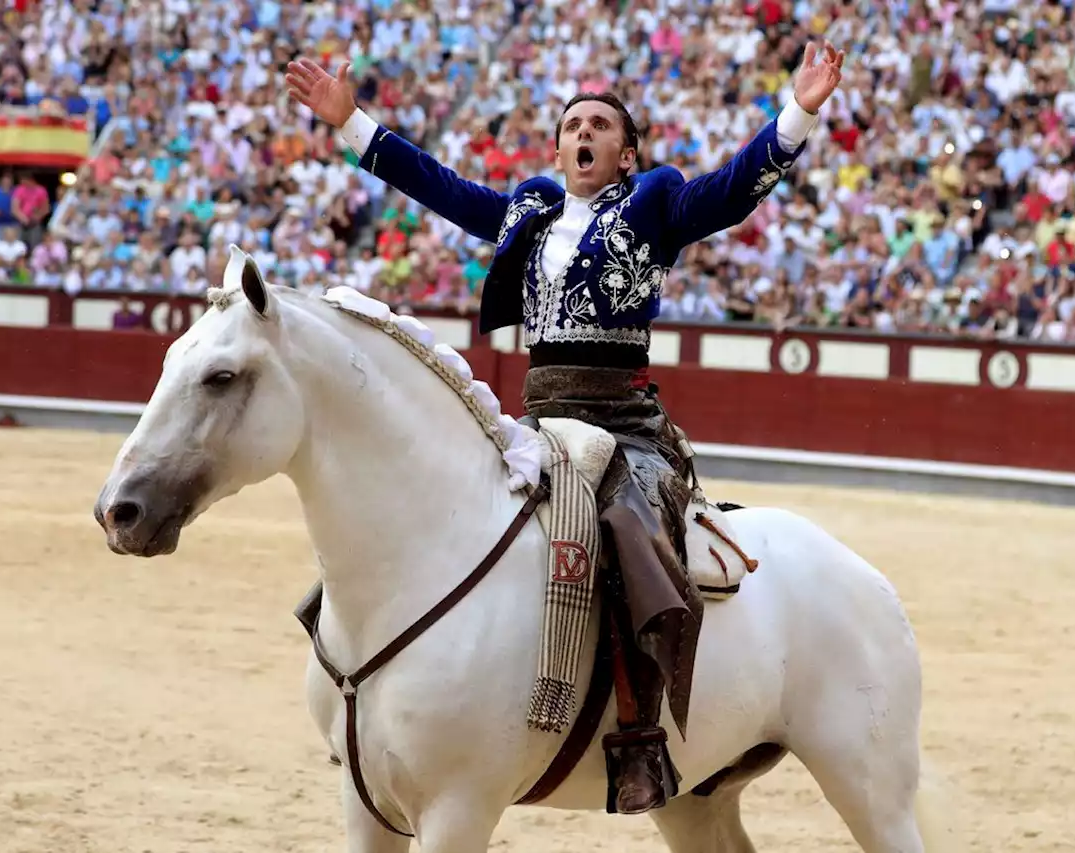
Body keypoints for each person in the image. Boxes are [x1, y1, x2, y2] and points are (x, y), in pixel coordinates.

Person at [285, 45, 844, 815]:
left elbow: (729, 193)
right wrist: (351, 123)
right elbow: (444, 190)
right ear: (558, 147)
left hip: (622, 422)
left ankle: (640, 733)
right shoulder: (532, 207)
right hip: (537, 418)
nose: (582, 133)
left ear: (626, 151)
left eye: (599, 124)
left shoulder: (654, 202)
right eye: (572, 124)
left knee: (630, 528)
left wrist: (799, 112)